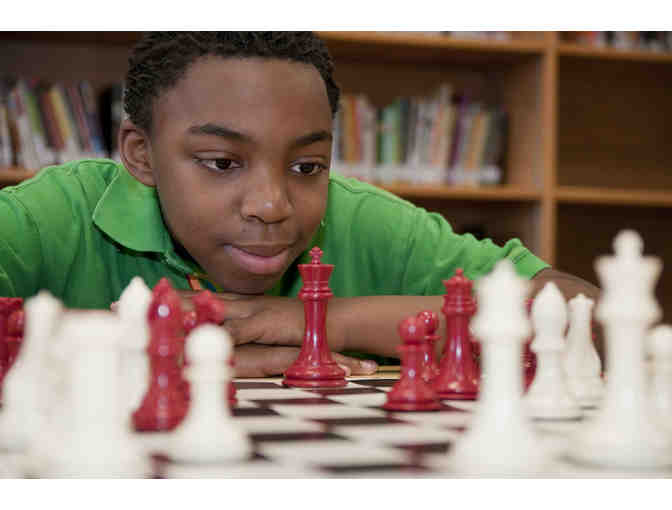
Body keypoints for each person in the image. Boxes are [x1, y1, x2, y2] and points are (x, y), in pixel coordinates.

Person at [0, 32, 601, 376]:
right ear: (141, 153)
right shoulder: (57, 212)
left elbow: (590, 316)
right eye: (222, 163)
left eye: (306, 166)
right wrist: (145, 345)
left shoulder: (359, 217)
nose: (271, 205)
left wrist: (319, 321)